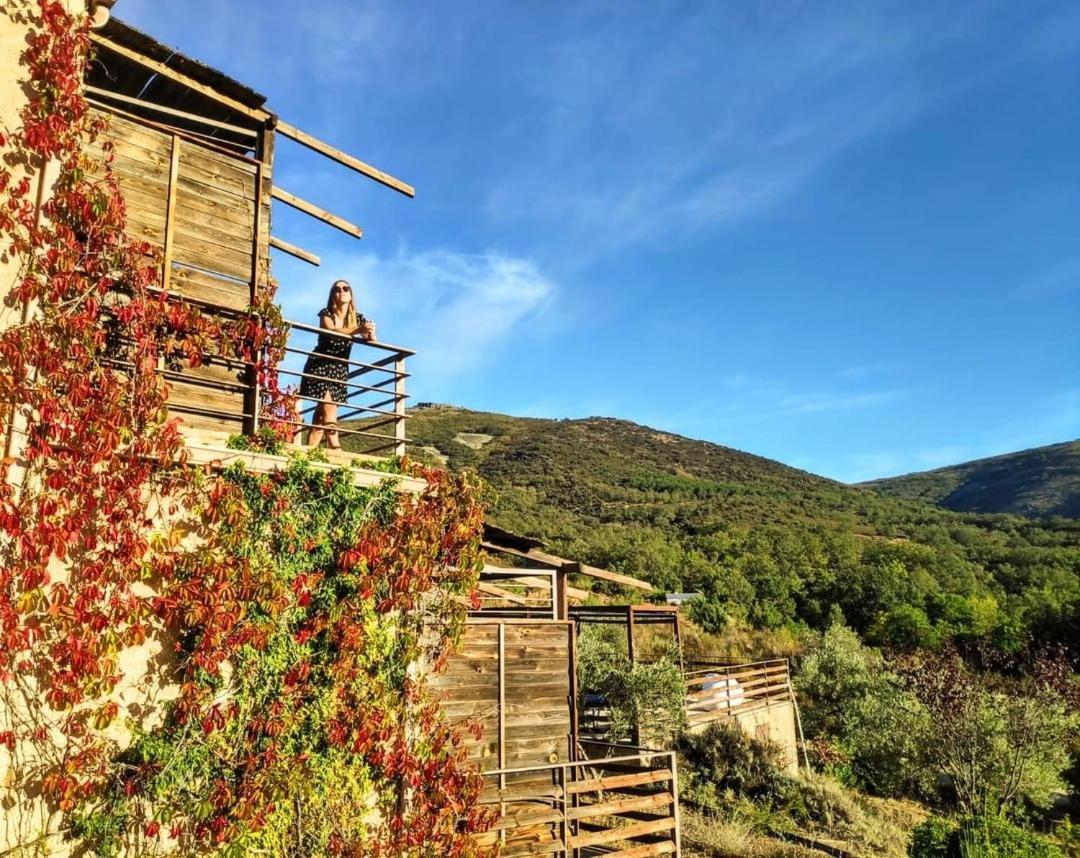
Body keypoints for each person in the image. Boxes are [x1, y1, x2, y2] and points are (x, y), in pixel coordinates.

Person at [300, 279, 375, 449]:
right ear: (332, 294)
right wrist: (358, 330)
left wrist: (370, 332)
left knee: (320, 416)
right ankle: (336, 447)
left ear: (350, 294)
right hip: (320, 365)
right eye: (336, 289)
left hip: (340, 368)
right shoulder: (326, 313)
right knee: (329, 406)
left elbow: (369, 339)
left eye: (345, 288)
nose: (341, 291)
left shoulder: (358, 318)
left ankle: (309, 451)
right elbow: (331, 332)